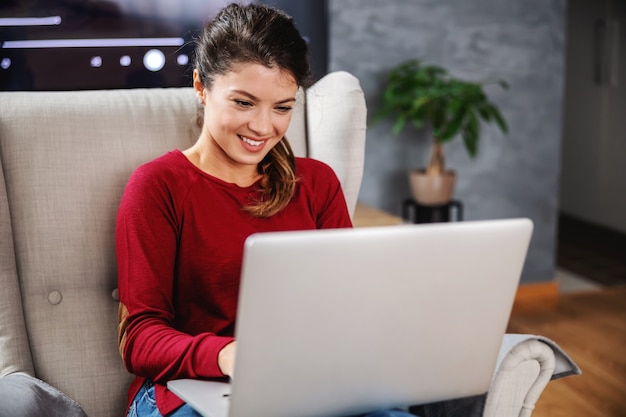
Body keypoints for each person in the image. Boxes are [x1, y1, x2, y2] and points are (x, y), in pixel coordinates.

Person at [116, 3, 419, 417]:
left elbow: (345, 303)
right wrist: (227, 355)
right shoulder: (158, 186)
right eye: (244, 103)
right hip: (190, 390)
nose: (263, 127)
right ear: (201, 88)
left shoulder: (316, 184)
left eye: (282, 107)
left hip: (303, 382)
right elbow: (140, 338)